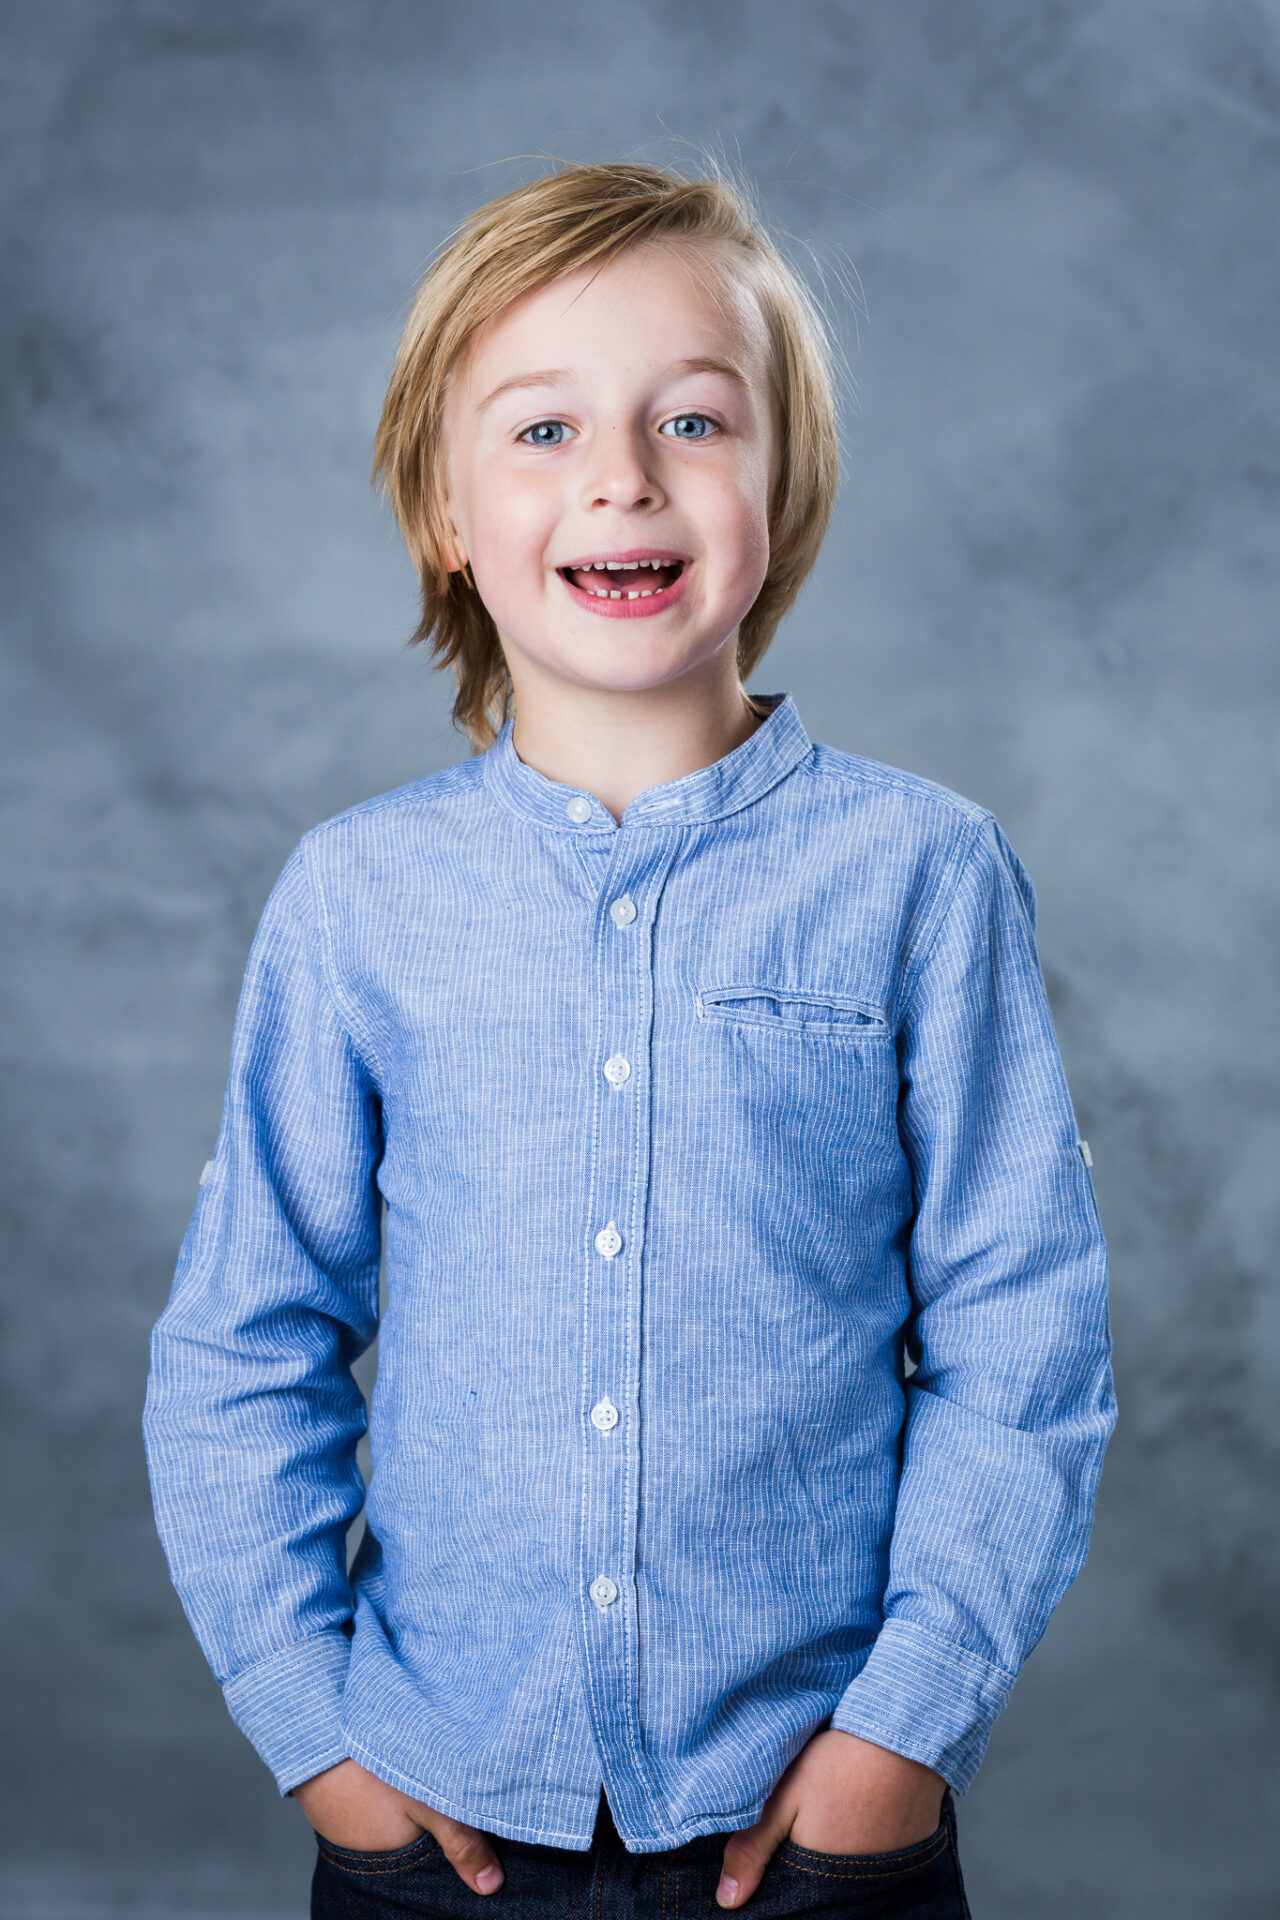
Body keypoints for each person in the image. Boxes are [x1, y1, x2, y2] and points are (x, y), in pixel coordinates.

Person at [143, 161, 1116, 1919]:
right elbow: (245, 1342)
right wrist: (315, 1733)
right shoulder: (356, 899)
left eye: (693, 420)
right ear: (445, 510)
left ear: (781, 487)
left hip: (819, 1828)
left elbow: (1023, 1336)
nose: (622, 476)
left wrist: (901, 1734)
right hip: (435, 1815)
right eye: (542, 430)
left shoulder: (923, 876)